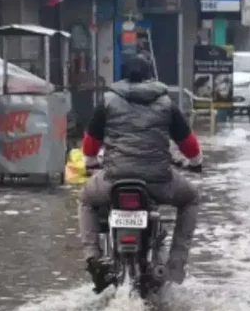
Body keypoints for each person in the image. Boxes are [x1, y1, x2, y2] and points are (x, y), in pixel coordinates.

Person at [79, 55, 203, 293]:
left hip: (114, 180)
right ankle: (175, 266)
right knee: (191, 198)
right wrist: (195, 162)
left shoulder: (107, 101)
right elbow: (188, 144)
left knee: (85, 198)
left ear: (123, 76)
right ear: (150, 77)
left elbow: (90, 144)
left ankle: (94, 260)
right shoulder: (167, 103)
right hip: (159, 182)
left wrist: (91, 162)